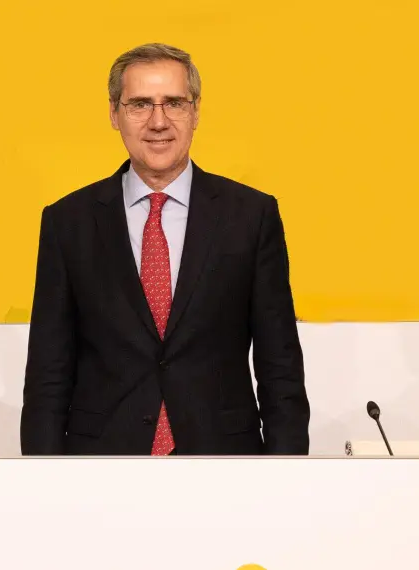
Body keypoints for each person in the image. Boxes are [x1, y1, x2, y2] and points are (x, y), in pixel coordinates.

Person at [21, 43, 310, 456]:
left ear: (196, 112)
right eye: (140, 104)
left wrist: (287, 473)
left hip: (224, 462)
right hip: (101, 464)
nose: (159, 122)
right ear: (114, 114)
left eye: (174, 103)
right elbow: (48, 373)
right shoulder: (68, 222)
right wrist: (41, 477)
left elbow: (280, 367)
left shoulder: (251, 216)